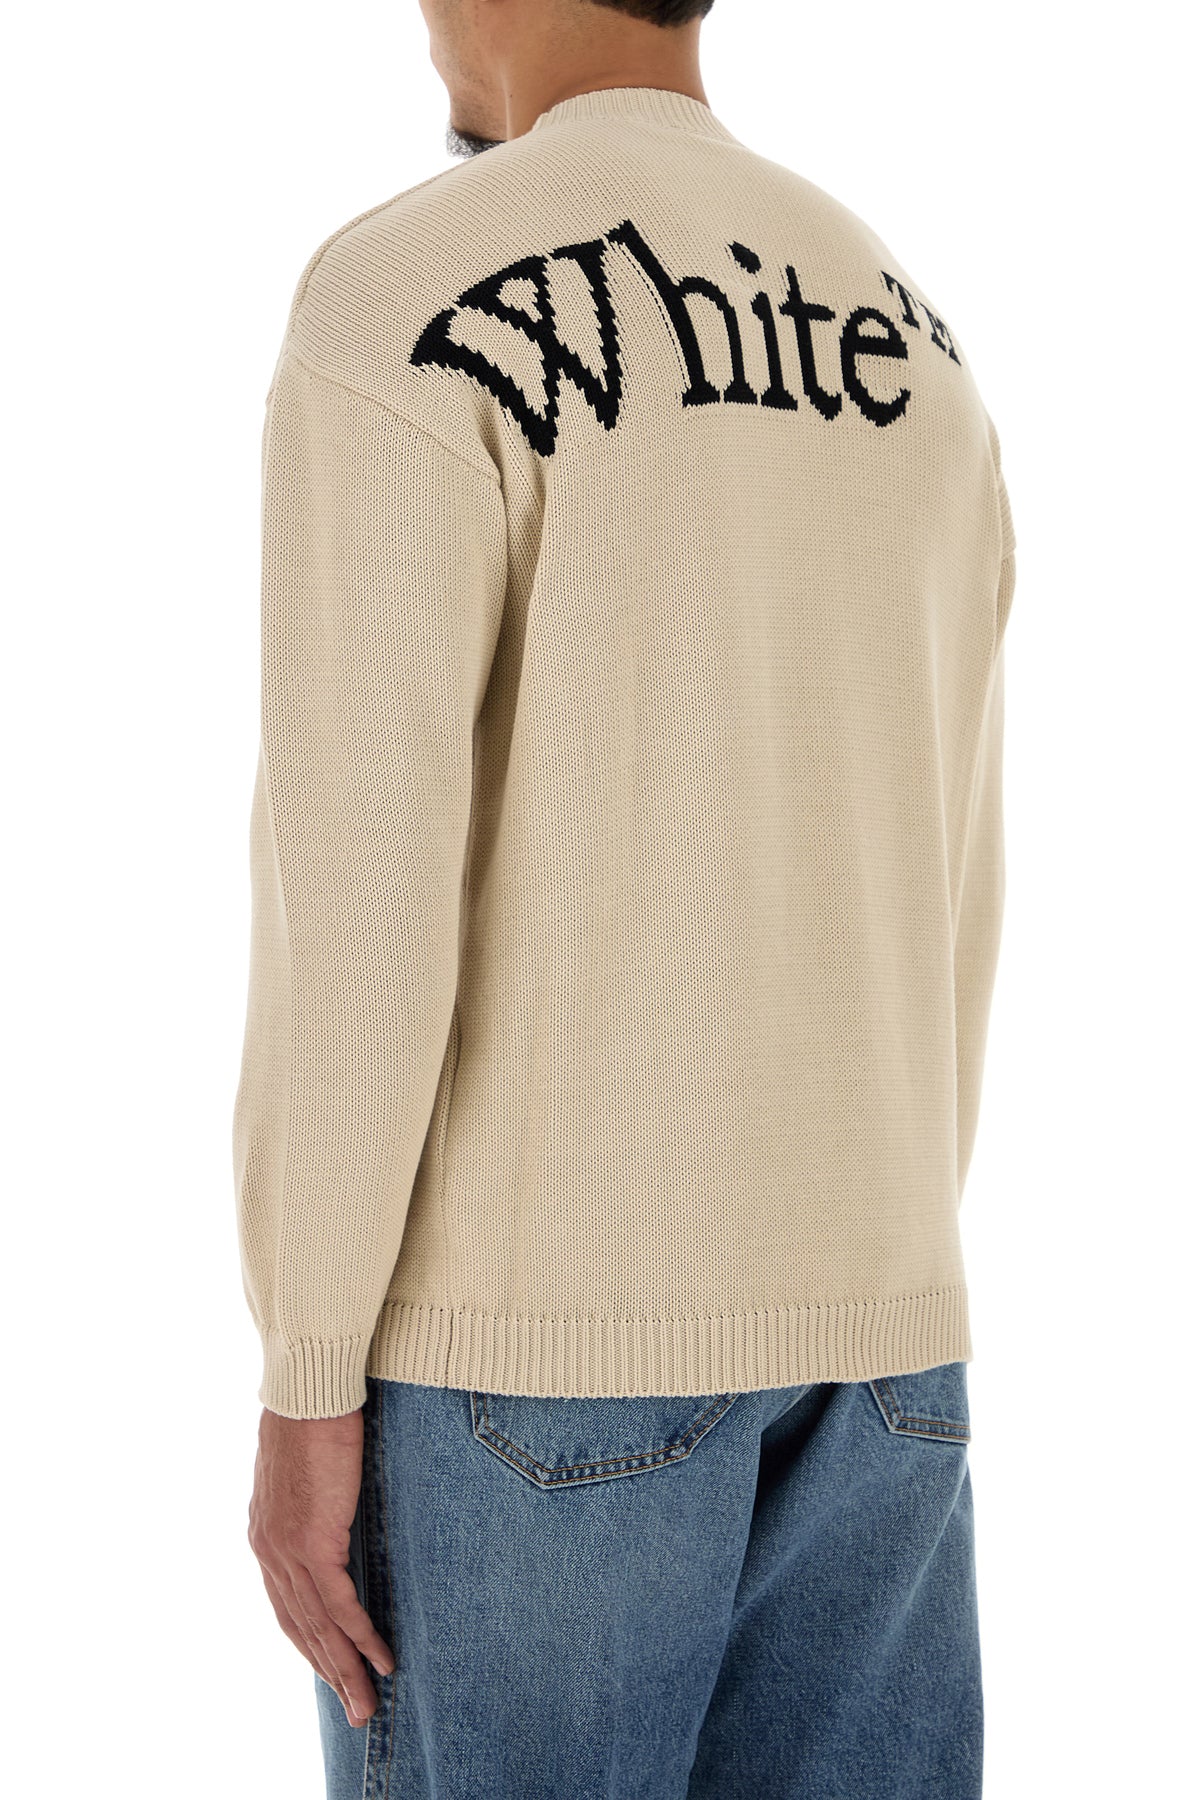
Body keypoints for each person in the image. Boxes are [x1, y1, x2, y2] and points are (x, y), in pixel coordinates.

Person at [232, 1, 1016, 1794]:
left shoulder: (406, 293)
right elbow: (952, 851)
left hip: (539, 1355)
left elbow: (360, 913)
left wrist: (308, 1365)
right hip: (886, 1331)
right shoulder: (913, 332)